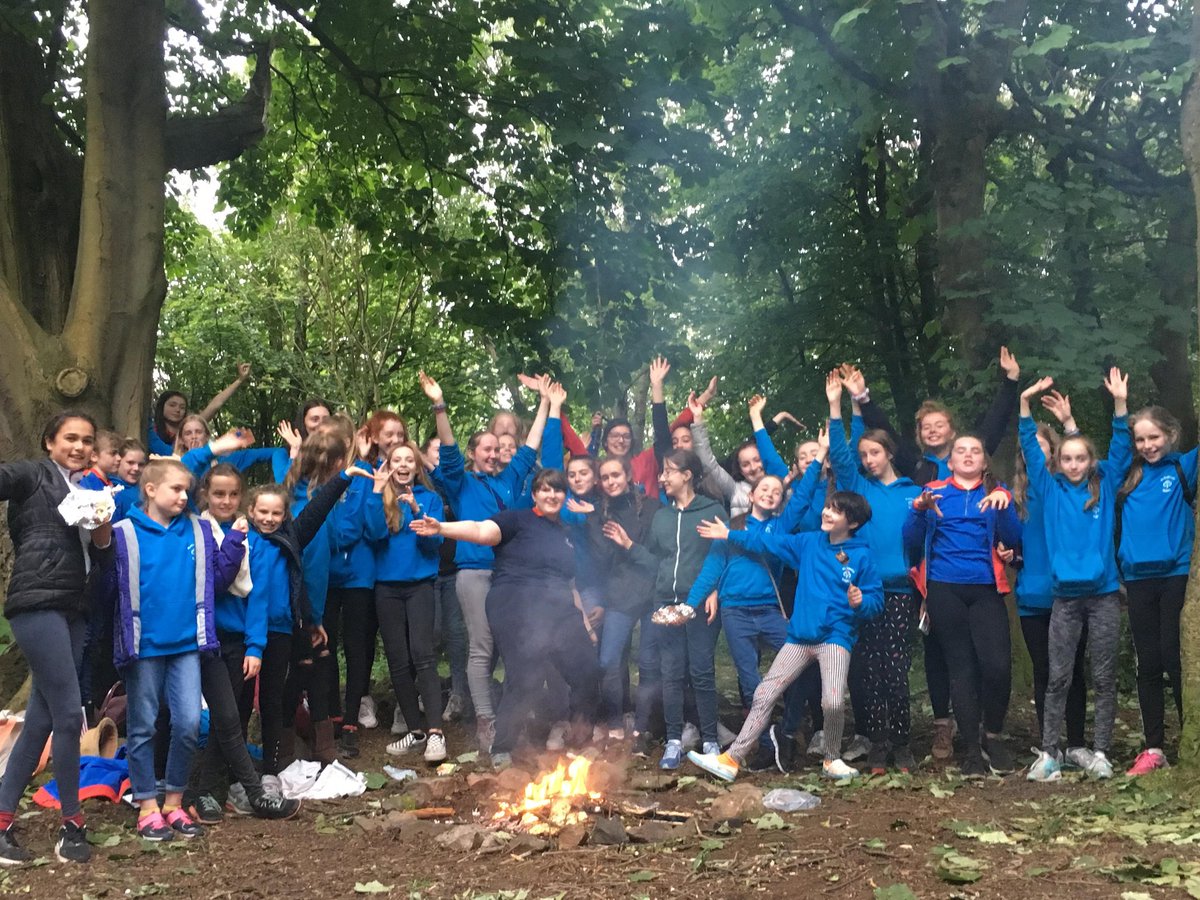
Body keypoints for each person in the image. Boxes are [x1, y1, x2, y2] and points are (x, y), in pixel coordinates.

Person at [846, 350, 1020, 762]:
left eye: (940, 425)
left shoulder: (977, 465)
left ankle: (982, 730)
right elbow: (884, 436)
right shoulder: (920, 470)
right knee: (942, 654)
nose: (934, 431)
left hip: (978, 577)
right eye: (926, 427)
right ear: (921, 436)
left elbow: (993, 425)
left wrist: (1010, 384)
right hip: (931, 576)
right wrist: (863, 399)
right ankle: (946, 729)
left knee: (986, 659)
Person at [411, 467, 601, 770]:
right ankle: (502, 746)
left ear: (565, 496)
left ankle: (579, 740)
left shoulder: (566, 534)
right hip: (515, 602)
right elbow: (481, 531)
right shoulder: (518, 519)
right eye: (545, 489)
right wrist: (443, 529)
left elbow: (571, 583)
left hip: (560, 607)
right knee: (526, 674)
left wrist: (586, 625)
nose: (552, 495)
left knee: (588, 670)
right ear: (535, 494)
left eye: (558, 490)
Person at [687, 491, 883, 782]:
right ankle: (731, 759)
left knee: (831, 702)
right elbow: (766, 542)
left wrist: (860, 602)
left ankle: (831, 759)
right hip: (800, 638)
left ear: (852, 523)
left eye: (836, 511)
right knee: (764, 694)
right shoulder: (808, 542)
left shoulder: (862, 556)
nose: (827, 513)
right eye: (827, 507)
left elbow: (876, 601)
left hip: (835, 638)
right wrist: (728, 533)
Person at [107, 458, 247, 841]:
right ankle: (147, 806)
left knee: (187, 723)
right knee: (143, 725)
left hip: (189, 644)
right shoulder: (124, 532)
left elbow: (217, 580)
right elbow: (108, 590)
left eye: (187, 490)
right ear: (150, 490)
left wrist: (233, 543)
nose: (185, 496)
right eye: (176, 489)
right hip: (144, 646)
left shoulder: (199, 531)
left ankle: (174, 802)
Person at [0, 412, 114, 865]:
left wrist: (102, 527)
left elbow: (102, 555)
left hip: (75, 608)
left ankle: (2, 823)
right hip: (37, 604)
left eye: (87, 440)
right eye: (70, 438)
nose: (79, 446)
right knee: (70, 715)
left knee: (43, 721)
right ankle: (72, 826)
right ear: (50, 442)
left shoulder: (92, 490)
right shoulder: (33, 475)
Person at [421, 370, 550, 752]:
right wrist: (439, 404)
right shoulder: (461, 482)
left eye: (497, 449)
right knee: (482, 647)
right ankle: (488, 723)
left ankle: (513, 720)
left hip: (513, 576)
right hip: (475, 574)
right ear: (474, 453)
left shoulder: (510, 480)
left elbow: (531, 445)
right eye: (486, 449)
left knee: (517, 646)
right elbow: (446, 449)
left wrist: (544, 401)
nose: (494, 454)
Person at [177, 465, 303, 823]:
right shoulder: (193, 532)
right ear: (204, 495)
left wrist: (255, 646)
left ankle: (210, 794)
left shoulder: (253, 541)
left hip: (235, 641)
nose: (226, 501)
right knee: (200, 718)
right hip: (196, 639)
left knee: (225, 719)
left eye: (233, 494)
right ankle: (188, 790)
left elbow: (258, 597)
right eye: (219, 494)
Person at [1021, 370, 1130, 782]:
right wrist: (1024, 403)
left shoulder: (1102, 485)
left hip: (1103, 596)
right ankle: (1050, 753)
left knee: (1103, 676)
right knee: (1057, 677)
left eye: (1080, 458)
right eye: (1066, 459)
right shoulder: (1049, 490)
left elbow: (1120, 449)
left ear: (1090, 461)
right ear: (1058, 462)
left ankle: (1100, 751)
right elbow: (1031, 447)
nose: (1073, 465)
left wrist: (1120, 405)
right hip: (1063, 599)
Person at [902, 436, 1022, 778]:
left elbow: (1013, 538)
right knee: (962, 669)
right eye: (961, 452)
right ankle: (971, 750)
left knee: (997, 666)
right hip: (944, 588)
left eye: (976, 451)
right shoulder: (934, 490)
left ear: (984, 461)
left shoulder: (996, 491)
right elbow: (910, 540)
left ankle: (992, 735)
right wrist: (918, 511)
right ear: (950, 462)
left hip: (986, 587)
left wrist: (1005, 504)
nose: (968, 456)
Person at [825, 371, 922, 774]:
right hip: (864, 592)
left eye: (874, 454)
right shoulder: (859, 490)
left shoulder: (913, 492)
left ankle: (902, 743)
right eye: (864, 455)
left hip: (900, 590)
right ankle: (878, 742)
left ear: (889, 453)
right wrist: (837, 407)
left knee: (896, 668)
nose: (868, 460)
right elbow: (842, 457)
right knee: (866, 669)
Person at [247, 465, 366, 788]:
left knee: (278, 693)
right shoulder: (241, 542)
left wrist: (342, 477)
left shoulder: (290, 541)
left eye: (276, 513)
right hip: (246, 633)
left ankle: (277, 762)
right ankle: (241, 764)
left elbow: (316, 511)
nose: (269, 519)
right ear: (251, 512)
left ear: (285, 515)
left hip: (284, 629)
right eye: (263, 512)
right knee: (244, 701)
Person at [685, 473, 800, 772]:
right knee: (750, 680)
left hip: (770, 611)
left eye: (777, 491)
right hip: (736, 612)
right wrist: (689, 605)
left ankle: (788, 730)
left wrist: (819, 456)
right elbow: (712, 569)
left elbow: (800, 500)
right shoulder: (731, 527)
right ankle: (765, 744)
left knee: (802, 662)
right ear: (750, 495)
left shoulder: (780, 527)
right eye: (764, 488)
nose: (770, 494)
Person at [625, 448, 727, 770]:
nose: (662, 477)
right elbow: (656, 559)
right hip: (666, 603)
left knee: (701, 670)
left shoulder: (713, 511)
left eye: (668, 471)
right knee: (670, 673)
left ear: (687, 475)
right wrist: (631, 549)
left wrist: (714, 590)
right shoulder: (662, 517)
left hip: (699, 604)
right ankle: (673, 740)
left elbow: (722, 556)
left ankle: (710, 738)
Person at [1010, 393, 1090, 773]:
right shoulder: (1014, 498)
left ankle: (1077, 743)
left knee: (1072, 671)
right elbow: (1006, 541)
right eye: (1030, 450)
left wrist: (1068, 422)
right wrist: (1011, 555)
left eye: (1044, 448)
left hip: (1069, 595)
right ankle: (1050, 746)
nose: (1035, 454)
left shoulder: (1065, 490)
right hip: (1031, 597)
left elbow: (1096, 468)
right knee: (1044, 673)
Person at [1116, 405, 1197, 774]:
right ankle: (1154, 748)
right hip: (1137, 578)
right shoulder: (1127, 474)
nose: (1149, 445)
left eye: (1155, 437)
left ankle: (1189, 736)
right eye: (1141, 439)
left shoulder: (1183, 467)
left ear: (1171, 435)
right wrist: (1119, 406)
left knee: (1173, 657)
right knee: (1147, 663)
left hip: (1175, 574)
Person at [365, 441, 448, 763]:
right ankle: (415, 732)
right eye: (395, 459)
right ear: (388, 465)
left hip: (420, 586)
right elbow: (373, 536)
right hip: (386, 588)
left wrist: (416, 509)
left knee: (423, 656)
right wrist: (376, 492)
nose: (402, 464)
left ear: (416, 467)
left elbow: (435, 544)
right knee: (398, 661)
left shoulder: (430, 499)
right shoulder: (381, 498)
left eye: (408, 460)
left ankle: (436, 734)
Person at [583, 456, 661, 749]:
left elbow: (658, 561)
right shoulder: (601, 514)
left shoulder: (652, 508)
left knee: (649, 662)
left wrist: (628, 545)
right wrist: (591, 520)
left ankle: (642, 727)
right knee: (608, 661)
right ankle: (615, 721)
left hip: (652, 595)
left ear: (628, 476)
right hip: (619, 595)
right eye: (605, 477)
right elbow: (601, 561)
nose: (611, 481)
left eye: (616, 474)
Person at [148, 363, 252, 456]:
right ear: (161, 406)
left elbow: (215, 405)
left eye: (182, 407)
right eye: (172, 405)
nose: (178, 410)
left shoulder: (191, 426)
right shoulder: (151, 429)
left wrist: (240, 380)